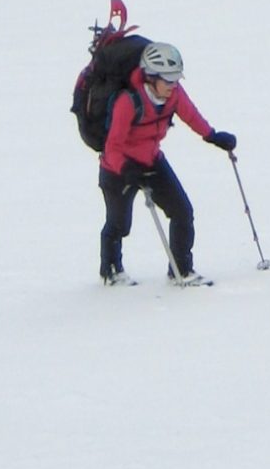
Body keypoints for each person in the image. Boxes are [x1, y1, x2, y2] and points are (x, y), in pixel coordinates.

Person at [99, 40, 235, 285]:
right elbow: (112, 146)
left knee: (182, 211)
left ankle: (181, 269)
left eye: (176, 79)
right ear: (151, 77)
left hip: (152, 160)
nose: (173, 86)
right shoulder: (128, 102)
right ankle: (111, 270)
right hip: (119, 167)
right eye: (168, 80)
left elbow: (190, 114)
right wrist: (124, 168)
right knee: (119, 224)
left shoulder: (173, 95)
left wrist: (212, 136)